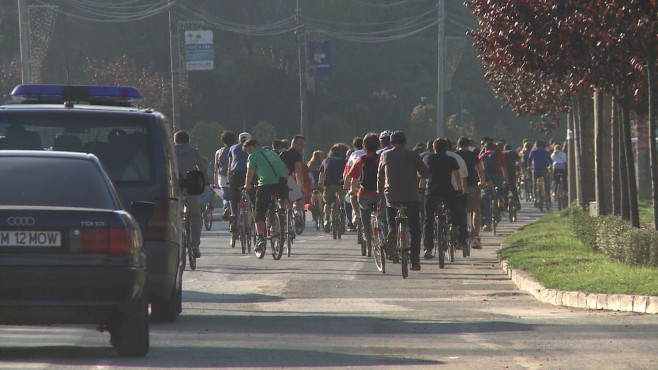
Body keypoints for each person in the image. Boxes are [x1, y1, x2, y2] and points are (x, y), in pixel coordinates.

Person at [377, 131, 430, 271]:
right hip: (410, 196)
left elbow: (380, 176)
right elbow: (425, 173)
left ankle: (392, 230)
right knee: (414, 228)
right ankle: (415, 261)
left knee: (390, 208)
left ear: (390, 143)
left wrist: (380, 192)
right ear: (405, 142)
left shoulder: (385, 155)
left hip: (391, 195)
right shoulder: (413, 155)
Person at [243, 139, 289, 254]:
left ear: (256, 146)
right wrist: (285, 181)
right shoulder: (273, 153)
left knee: (259, 212)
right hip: (280, 183)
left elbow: (249, 174)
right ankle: (282, 212)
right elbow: (286, 169)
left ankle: (260, 238)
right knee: (282, 196)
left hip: (265, 185)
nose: (249, 153)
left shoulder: (253, 156)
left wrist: (247, 186)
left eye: (250, 150)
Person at [423, 138, 465, 259]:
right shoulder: (450, 159)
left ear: (433, 148)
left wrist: (421, 190)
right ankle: (453, 225)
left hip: (432, 190)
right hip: (447, 189)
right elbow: (457, 175)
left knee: (428, 219)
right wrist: (460, 189)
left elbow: (422, 176)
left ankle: (428, 248)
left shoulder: (427, 159)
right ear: (446, 148)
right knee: (453, 208)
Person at [174, 131, 208, 258]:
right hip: (191, 187)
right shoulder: (194, 151)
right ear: (188, 140)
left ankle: (177, 242)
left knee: (174, 215)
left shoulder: (169, 152)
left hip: (175, 188)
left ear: (175, 141)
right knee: (196, 215)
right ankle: (194, 245)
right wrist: (206, 182)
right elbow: (202, 168)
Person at [347, 133, 380, 253]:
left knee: (364, 212)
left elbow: (353, 178)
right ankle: (384, 235)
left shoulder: (360, 160)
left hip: (364, 194)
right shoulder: (380, 159)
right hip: (379, 195)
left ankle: (368, 236)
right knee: (383, 214)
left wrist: (352, 190)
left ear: (364, 146)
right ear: (378, 145)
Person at [456, 137, 486, 249]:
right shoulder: (473, 155)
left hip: (458, 186)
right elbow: (479, 170)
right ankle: (476, 237)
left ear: (458, 146)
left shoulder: (455, 155)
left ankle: (459, 235)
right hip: (472, 185)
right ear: (468, 145)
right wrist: (482, 182)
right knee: (476, 210)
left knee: (460, 210)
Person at [479, 141, 508, 231]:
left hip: (487, 178)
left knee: (486, 197)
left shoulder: (482, 156)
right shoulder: (498, 155)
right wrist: (505, 179)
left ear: (485, 148)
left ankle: (487, 222)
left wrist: (481, 181)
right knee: (500, 188)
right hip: (497, 175)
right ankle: (501, 201)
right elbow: (504, 167)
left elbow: (479, 169)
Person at [319, 145, 348, 232]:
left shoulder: (326, 160)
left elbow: (321, 173)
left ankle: (327, 220)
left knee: (327, 203)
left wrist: (320, 182)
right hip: (340, 183)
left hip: (329, 183)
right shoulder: (344, 161)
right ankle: (342, 208)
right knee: (341, 195)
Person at [279, 135, 307, 225]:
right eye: (300, 145)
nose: (302, 147)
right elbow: (299, 172)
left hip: (277, 179)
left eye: (304, 146)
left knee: (283, 198)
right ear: (293, 143)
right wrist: (301, 187)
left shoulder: (282, 153)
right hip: (287, 178)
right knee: (300, 198)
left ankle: (282, 214)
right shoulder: (296, 154)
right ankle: (297, 214)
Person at [228, 132, 251, 232]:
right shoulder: (252, 148)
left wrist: (229, 180)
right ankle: (252, 214)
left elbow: (229, 166)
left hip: (235, 175)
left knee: (234, 198)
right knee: (252, 195)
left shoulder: (232, 148)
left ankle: (233, 215)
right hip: (248, 174)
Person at [214, 130, 235, 220]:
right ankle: (235, 211)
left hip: (222, 177)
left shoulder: (219, 152)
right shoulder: (236, 150)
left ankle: (226, 207)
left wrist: (216, 183)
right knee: (235, 196)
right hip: (234, 176)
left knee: (225, 197)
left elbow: (216, 168)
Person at [344, 137, 365, 227]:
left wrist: (346, 184)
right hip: (368, 180)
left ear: (354, 146)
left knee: (352, 194)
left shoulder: (353, 155)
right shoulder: (367, 153)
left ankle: (356, 214)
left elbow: (349, 172)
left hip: (356, 180)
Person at [527, 140, 552, 204]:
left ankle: (535, 198)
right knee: (547, 183)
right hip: (544, 169)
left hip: (536, 170)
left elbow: (529, 160)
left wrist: (529, 166)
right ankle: (548, 198)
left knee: (534, 184)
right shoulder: (546, 152)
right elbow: (550, 161)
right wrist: (550, 166)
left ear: (536, 146)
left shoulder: (533, 152)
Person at [503, 143, 521, 209]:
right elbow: (519, 162)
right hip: (512, 172)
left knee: (505, 187)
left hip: (504, 173)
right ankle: (517, 202)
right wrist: (523, 172)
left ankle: (505, 203)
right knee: (513, 187)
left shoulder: (502, 153)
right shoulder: (513, 153)